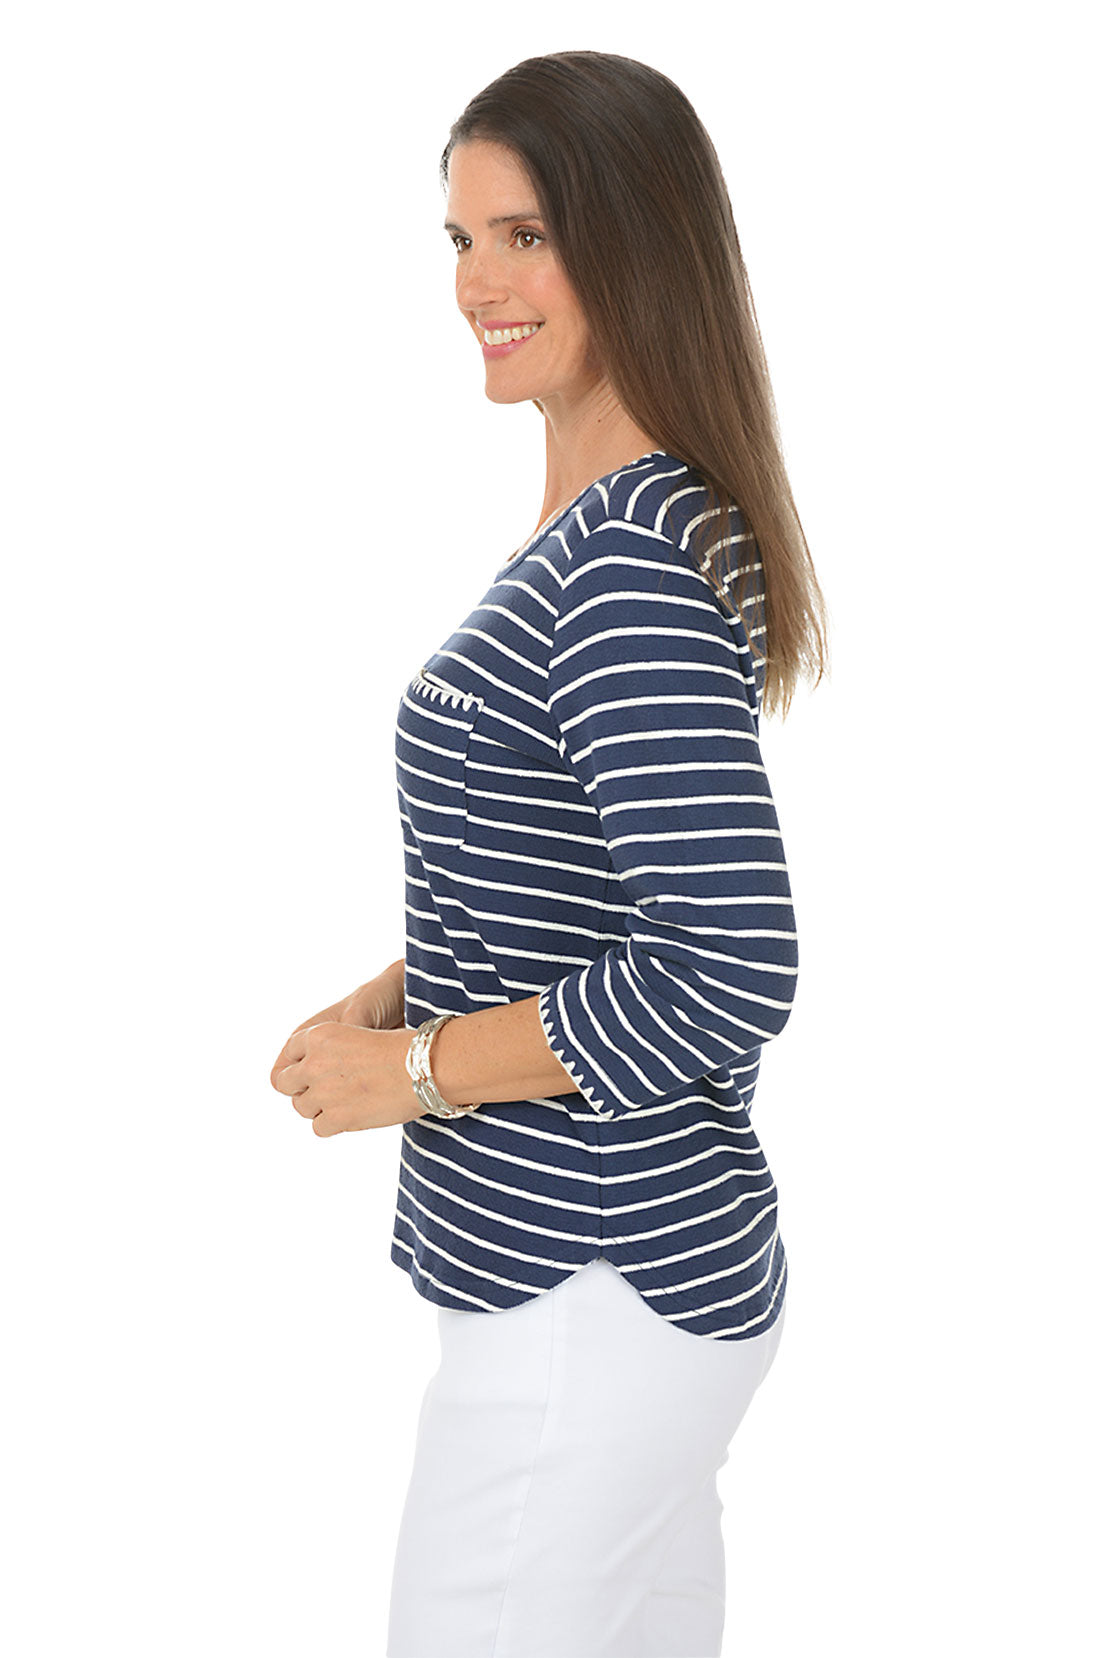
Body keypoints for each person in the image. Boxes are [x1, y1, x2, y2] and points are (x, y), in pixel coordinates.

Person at [270, 48, 828, 1658]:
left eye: (525, 235)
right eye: (458, 240)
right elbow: (562, 870)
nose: (478, 284)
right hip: (606, 1298)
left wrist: (423, 1070)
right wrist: (391, 999)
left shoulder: (626, 569)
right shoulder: (607, 534)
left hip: (592, 1289)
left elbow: (725, 968)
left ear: (635, 242)